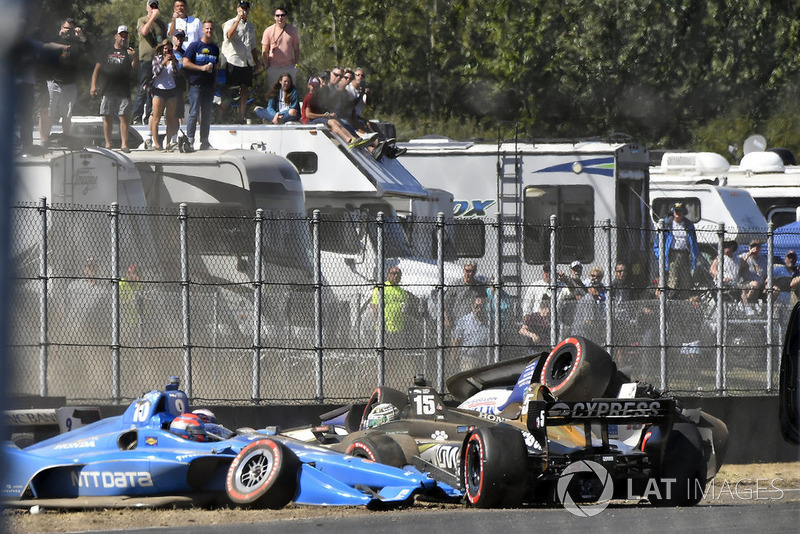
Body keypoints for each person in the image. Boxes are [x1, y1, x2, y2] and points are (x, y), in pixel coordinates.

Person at [40, 18, 90, 147]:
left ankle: (66, 138)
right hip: (53, 82)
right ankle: (44, 140)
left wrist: (82, 36)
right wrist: (59, 36)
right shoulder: (54, 39)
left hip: (69, 83)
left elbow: (90, 50)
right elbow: (44, 47)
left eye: (71, 29)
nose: (68, 32)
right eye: (66, 28)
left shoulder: (76, 42)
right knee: (48, 112)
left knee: (67, 113)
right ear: (62, 27)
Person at [90, 26, 138, 152]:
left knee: (124, 116)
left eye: (125, 36)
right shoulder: (106, 51)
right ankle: (108, 143)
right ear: (116, 36)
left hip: (123, 89)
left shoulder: (128, 52)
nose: (123, 38)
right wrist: (93, 85)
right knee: (107, 116)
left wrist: (135, 57)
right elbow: (97, 70)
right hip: (107, 88)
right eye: (121, 35)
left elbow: (135, 68)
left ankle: (124, 144)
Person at [300, 76, 373, 147]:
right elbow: (308, 115)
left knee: (336, 122)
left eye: (316, 86)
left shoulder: (316, 96)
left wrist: (329, 114)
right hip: (309, 121)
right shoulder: (309, 97)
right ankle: (348, 140)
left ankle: (355, 139)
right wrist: (324, 115)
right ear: (308, 86)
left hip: (315, 119)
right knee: (332, 122)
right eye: (313, 86)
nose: (314, 88)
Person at [182, 20, 219, 151]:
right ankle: (190, 140)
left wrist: (214, 84)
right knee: (193, 113)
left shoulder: (215, 48)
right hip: (195, 86)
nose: (209, 31)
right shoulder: (194, 46)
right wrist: (201, 68)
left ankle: (204, 141)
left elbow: (215, 68)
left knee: (207, 115)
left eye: (211, 29)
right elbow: (185, 63)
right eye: (207, 29)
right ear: (202, 30)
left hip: (209, 87)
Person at [222, 1, 259, 123]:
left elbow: (253, 46)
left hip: (246, 61)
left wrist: (256, 62)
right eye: (241, 8)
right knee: (228, 89)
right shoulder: (230, 23)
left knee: (245, 90)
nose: (243, 10)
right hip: (233, 60)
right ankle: (222, 115)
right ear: (237, 9)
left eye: (245, 8)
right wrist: (238, 20)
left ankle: (241, 117)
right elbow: (229, 36)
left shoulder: (251, 26)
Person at [133, 0, 169, 126]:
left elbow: (164, 41)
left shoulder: (161, 24)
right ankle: (137, 116)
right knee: (143, 87)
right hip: (146, 59)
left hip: (158, 59)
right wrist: (152, 17)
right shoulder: (142, 20)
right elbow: (144, 32)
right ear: (147, 7)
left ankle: (150, 116)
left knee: (154, 90)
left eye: (155, 6)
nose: (153, 8)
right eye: (151, 6)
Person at [654, 202, 699, 299]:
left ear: (684, 212)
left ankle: (684, 298)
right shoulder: (667, 225)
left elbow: (694, 241)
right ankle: (671, 298)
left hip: (685, 255)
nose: (678, 213)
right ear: (673, 212)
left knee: (686, 280)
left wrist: (695, 255)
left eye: (680, 211)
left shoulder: (688, 225)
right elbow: (658, 242)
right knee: (673, 278)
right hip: (672, 254)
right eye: (676, 211)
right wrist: (660, 256)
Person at [149, 39, 179, 151]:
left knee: (170, 118)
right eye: (165, 48)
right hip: (159, 89)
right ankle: (156, 143)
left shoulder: (173, 59)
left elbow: (176, 73)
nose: (167, 51)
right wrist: (163, 62)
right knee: (156, 118)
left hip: (171, 89)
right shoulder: (157, 59)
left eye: (169, 49)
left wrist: (173, 62)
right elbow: (155, 71)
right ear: (162, 49)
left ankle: (168, 143)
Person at [370, 266, 411, 346]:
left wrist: (405, 308)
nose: (396, 276)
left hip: (398, 328)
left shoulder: (403, 292)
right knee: (384, 351)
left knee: (397, 352)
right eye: (394, 273)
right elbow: (375, 307)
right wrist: (378, 322)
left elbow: (405, 309)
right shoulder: (381, 288)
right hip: (384, 328)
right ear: (388, 275)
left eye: (398, 274)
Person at [261, 6, 300, 89]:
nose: (280, 17)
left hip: (288, 66)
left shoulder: (292, 30)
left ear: (286, 17)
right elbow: (264, 50)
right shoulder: (268, 31)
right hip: (273, 67)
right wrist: (267, 65)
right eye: (278, 15)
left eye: (282, 15)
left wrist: (296, 64)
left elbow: (296, 49)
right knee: (273, 92)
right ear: (274, 17)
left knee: (290, 92)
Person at [451, 297, 489, 371]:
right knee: (470, 381)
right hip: (468, 358)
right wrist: (453, 358)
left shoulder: (489, 321)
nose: (479, 310)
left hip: (484, 359)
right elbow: (456, 341)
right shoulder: (464, 321)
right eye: (476, 307)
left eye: (481, 307)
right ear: (472, 307)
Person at [445, 262, 486, 329]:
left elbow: (484, 302)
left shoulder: (479, 286)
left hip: (474, 324)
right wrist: (447, 319)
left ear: (474, 272)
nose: (468, 274)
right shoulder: (455, 285)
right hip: (457, 322)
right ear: (464, 270)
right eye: (466, 271)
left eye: (470, 271)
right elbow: (446, 303)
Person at [740, 239, 769, 312]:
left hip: (761, 284)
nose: (755, 249)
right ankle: (746, 305)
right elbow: (738, 267)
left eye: (757, 247)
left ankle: (766, 310)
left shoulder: (764, 260)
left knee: (775, 289)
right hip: (746, 283)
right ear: (749, 247)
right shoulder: (744, 256)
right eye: (753, 246)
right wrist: (749, 254)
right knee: (756, 284)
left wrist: (767, 282)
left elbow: (767, 275)